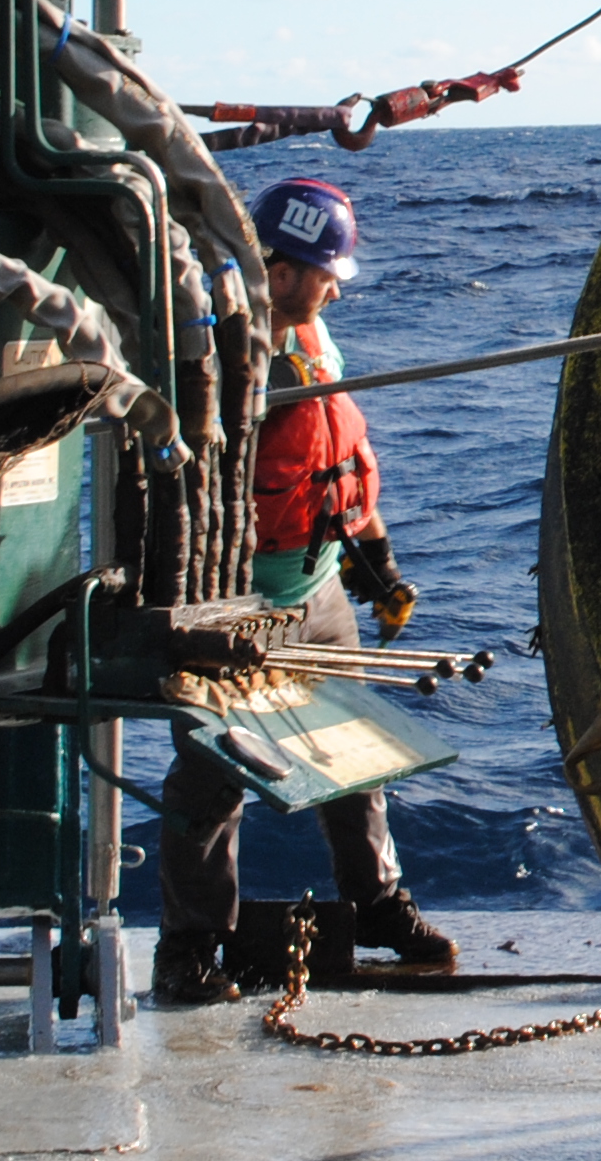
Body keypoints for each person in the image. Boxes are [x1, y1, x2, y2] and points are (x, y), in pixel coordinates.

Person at [150, 176, 459, 1006]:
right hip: (241, 606)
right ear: (280, 272)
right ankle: (189, 948)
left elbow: (339, 459)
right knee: (216, 778)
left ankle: (381, 907)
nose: (335, 286)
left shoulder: (316, 336)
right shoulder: (218, 351)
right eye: (326, 271)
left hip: (320, 591)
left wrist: (378, 569)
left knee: (355, 758)